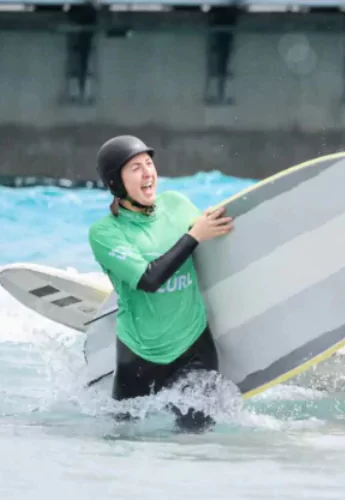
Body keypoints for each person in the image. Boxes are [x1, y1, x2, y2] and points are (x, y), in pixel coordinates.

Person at [87, 135, 234, 432]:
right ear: (116, 182)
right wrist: (194, 236)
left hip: (194, 346)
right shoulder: (105, 233)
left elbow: (208, 249)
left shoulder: (177, 205)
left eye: (149, 164)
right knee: (121, 441)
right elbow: (150, 279)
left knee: (196, 439)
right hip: (139, 357)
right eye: (135, 168)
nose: (147, 173)